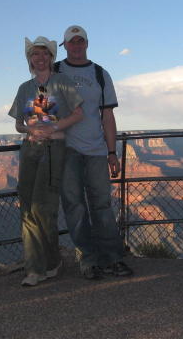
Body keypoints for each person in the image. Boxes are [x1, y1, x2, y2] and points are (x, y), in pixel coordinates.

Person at [55, 25, 133, 279]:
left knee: (101, 205)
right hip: (66, 151)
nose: (77, 45)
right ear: (64, 45)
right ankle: (88, 260)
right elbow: (41, 107)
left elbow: (107, 116)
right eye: (72, 42)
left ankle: (112, 258)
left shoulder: (100, 74)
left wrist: (112, 152)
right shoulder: (55, 71)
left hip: (97, 150)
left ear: (87, 44)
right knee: (75, 207)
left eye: (81, 41)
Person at [8, 36, 83, 286]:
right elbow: (18, 124)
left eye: (44, 54)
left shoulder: (62, 82)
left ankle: (36, 269)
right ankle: (49, 263)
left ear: (51, 57)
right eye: (35, 54)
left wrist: (54, 127)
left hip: (53, 148)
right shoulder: (24, 88)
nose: (40, 58)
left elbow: (78, 113)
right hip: (30, 149)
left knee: (42, 208)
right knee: (27, 207)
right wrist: (29, 128)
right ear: (29, 59)